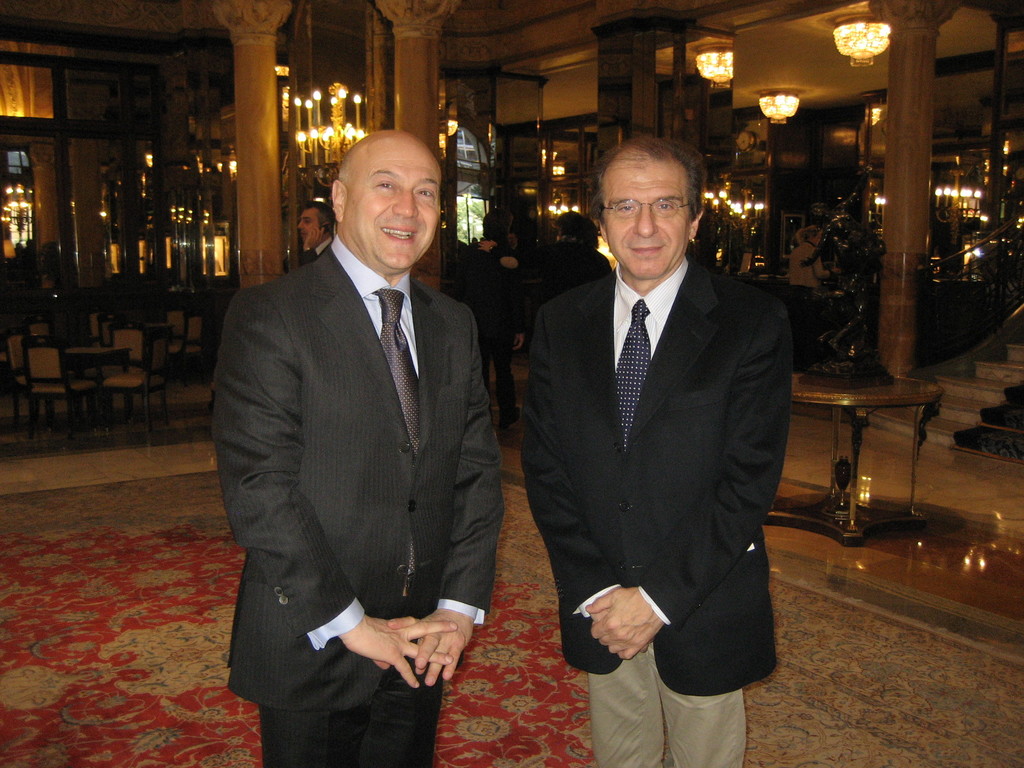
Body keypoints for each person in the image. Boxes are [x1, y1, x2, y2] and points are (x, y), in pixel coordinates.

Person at [213, 130, 505, 768]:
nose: (408, 208)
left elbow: (476, 474)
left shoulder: (452, 323)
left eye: (426, 192)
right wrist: (350, 622)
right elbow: (260, 487)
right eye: (386, 185)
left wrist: (457, 609)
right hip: (314, 635)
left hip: (425, 639)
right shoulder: (272, 313)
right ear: (341, 200)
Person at [522, 136, 792, 768]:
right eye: (624, 206)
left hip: (704, 597)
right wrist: (596, 590)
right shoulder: (561, 321)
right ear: (601, 221)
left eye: (666, 205)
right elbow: (545, 466)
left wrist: (656, 599)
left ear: (694, 219)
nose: (644, 226)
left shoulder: (751, 321)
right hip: (601, 604)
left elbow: (748, 481)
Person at [452, 208, 525, 429]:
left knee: (479, 372)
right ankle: (507, 414)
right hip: (502, 321)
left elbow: (460, 288)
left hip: (475, 320)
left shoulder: (470, 253)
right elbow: (515, 293)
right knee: (503, 370)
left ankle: (482, 417)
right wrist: (519, 326)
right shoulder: (507, 254)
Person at [536, 210, 612, 304]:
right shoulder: (599, 259)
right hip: (588, 308)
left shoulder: (549, 253)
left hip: (555, 306)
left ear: (562, 231)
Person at [297, 199, 335, 265]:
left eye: (307, 221)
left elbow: (309, 270)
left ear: (324, 228)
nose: (299, 226)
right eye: (300, 221)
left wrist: (308, 250)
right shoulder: (299, 251)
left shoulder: (333, 254)